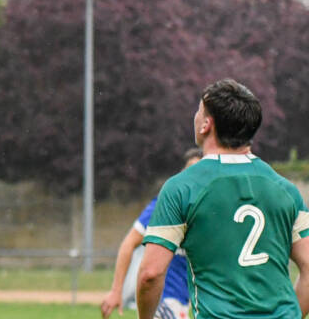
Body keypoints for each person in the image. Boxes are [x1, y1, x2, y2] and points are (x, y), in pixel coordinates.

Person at [137, 79, 309, 319]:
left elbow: (150, 274)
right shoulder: (287, 190)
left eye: (199, 111)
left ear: (206, 124)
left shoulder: (182, 188)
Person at [99, 147, 202, 319]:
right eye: (189, 170)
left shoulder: (206, 210)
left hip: (183, 303)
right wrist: (116, 291)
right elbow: (129, 243)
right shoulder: (166, 204)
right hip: (164, 304)